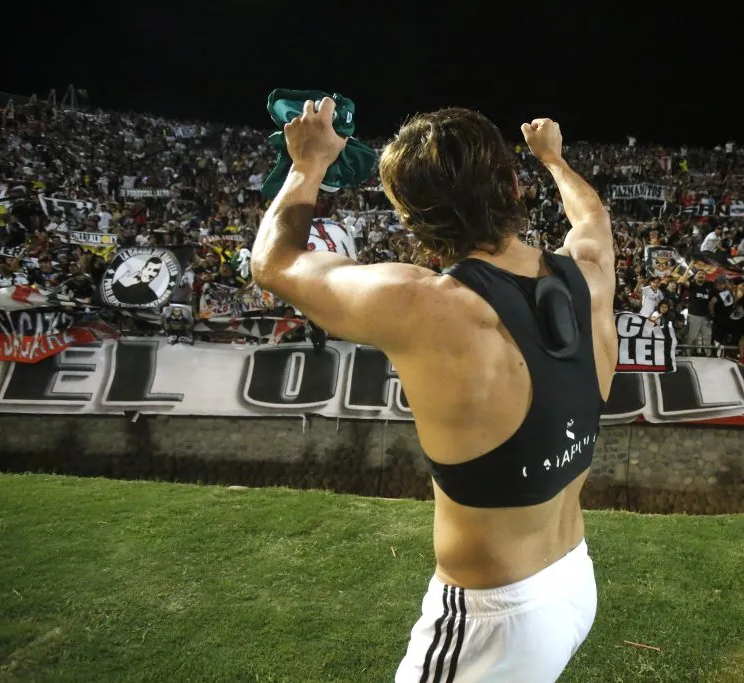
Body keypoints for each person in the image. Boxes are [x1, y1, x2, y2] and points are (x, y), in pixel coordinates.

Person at [251, 100, 616, 683]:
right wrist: (556, 160)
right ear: (513, 184)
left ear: (409, 216)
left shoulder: (423, 304)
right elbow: (590, 217)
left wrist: (309, 163)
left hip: (493, 619)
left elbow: (274, 263)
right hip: (573, 580)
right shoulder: (592, 276)